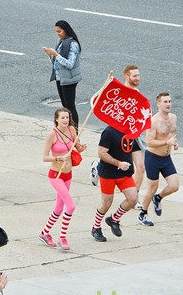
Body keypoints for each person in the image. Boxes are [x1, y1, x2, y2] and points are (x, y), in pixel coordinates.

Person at [39, 107, 87, 250]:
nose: (65, 120)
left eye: (67, 117)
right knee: (70, 206)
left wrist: (81, 148)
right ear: (56, 119)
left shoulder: (72, 130)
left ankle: (44, 233)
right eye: (62, 118)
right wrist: (59, 157)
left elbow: (76, 147)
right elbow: (44, 157)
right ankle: (63, 238)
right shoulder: (51, 134)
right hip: (56, 175)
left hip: (68, 174)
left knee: (59, 208)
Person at [138, 92, 179, 227]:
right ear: (158, 104)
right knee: (152, 188)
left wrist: (175, 142)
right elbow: (149, 142)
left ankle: (158, 198)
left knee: (174, 186)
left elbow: (172, 133)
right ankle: (143, 213)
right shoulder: (153, 121)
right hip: (153, 158)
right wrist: (167, 142)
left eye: (169, 101)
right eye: (165, 102)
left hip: (166, 158)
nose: (168, 104)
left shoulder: (173, 118)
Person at [90, 126, 138, 242]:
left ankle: (114, 219)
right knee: (107, 203)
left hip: (125, 173)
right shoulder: (109, 132)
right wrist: (118, 163)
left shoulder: (131, 130)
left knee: (133, 199)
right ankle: (96, 227)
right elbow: (101, 153)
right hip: (108, 173)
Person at [43, 20, 82, 128]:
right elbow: (57, 62)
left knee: (70, 106)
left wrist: (55, 54)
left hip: (69, 78)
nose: (58, 34)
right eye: (56, 32)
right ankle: (69, 128)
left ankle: (75, 131)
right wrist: (50, 55)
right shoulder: (61, 42)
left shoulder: (73, 44)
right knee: (65, 105)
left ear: (66, 30)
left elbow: (69, 64)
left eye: (59, 31)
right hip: (60, 77)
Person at [122, 65, 147, 211]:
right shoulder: (120, 92)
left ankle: (134, 198)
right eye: (134, 76)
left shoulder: (136, 92)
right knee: (116, 165)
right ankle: (98, 165)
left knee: (141, 167)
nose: (137, 78)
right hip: (121, 136)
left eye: (138, 75)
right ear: (127, 76)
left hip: (134, 136)